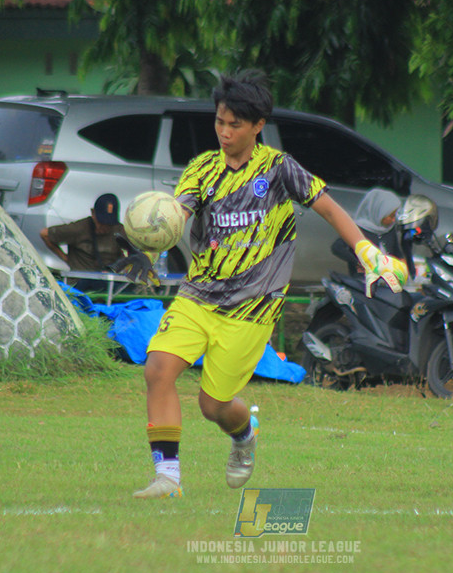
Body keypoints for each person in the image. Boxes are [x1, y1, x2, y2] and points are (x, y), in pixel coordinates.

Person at [120, 71, 408, 499]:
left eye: (235, 124)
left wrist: (368, 252)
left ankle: (243, 436)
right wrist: (156, 233)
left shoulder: (277, 169)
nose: (225, 131)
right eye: (220, 121)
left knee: (212, 406)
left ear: (257, 126)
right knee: (158, 368)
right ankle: (168, 478)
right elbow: (179, 210)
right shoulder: (203, 168)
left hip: (252, 308)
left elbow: (329, 207)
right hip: (199, 295)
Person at [39, 193, 126, 293]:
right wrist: (65, 257)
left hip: (108, 284)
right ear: (93, 214)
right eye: (101, 222)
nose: (104, 227)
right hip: (80, 283)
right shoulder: (79, 228)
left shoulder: (119, 230)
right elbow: (44, 234)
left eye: (109, 224)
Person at [330, 188, 407, 275]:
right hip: (363, 280)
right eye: (390, 216)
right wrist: (358, 262)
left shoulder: (389, 229)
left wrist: (403, 268)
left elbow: (397, 252)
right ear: (380, 212)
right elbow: (337, 248)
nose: (393, 220)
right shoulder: (357, 229)